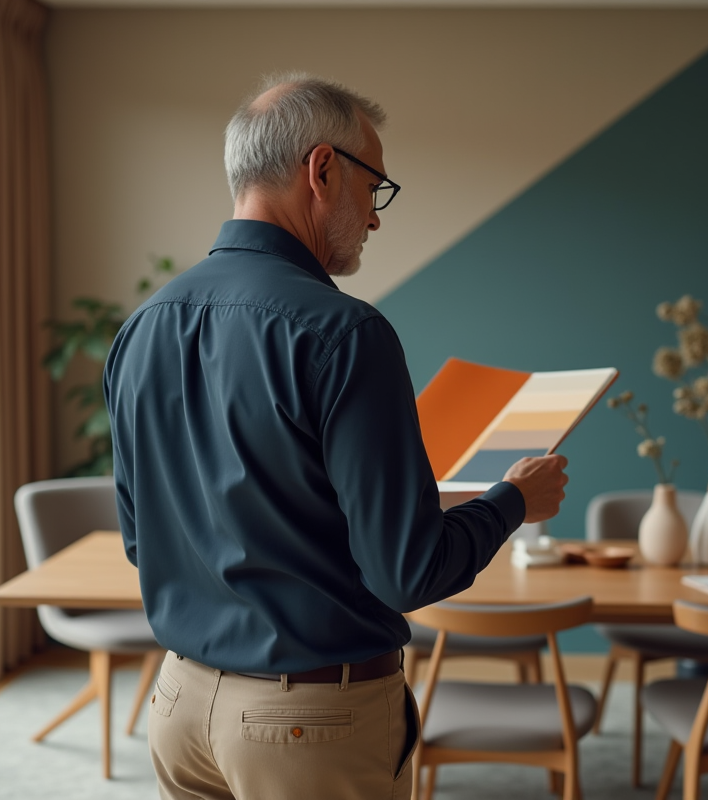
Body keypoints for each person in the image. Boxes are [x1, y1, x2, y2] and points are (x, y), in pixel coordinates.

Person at [103, 73, 570, 799]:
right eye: (375, 185)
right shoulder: (346, 334)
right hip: (307, 723)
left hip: (178, 706)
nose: (376, 217)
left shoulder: (143, 326)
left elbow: (143, 540)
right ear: (321, 170)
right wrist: (514, 500)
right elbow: (409, 574)